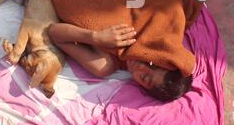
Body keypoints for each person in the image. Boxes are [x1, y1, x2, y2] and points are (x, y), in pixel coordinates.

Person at [48, 23, 193, 102]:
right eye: (152, 64)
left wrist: (95, 37)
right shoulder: (153, 31)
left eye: (145, 77)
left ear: (142, 86)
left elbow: (54, 32)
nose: (140, 67)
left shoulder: (104, 64)